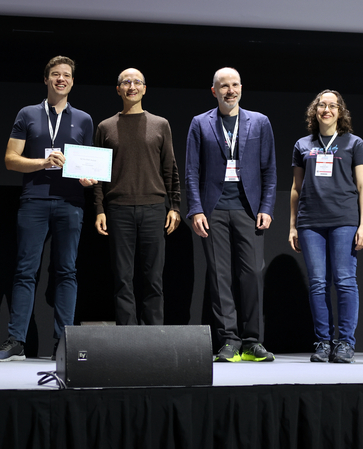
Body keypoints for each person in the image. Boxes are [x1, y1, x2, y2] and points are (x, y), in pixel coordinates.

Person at [0, 55, 95, 362]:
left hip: (70, 202)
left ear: (72, 82)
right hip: (34, 200)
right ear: (46, 79)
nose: (61, 79)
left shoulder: (84, 120)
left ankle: (63, 344)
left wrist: (89, 180)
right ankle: (16, 341)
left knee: (67, 272)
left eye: (66, 75)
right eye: (55, 75)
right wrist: (42, 162)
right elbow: (10, 159)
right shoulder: (28, 114)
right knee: (25, 271)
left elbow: (87, 167)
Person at [185, 67, 277, 362]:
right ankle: (228, 340)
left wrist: (266, 208)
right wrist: (196, 209)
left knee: (251, 274)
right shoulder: (200, 123)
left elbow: (270, 172)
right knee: (220, 276)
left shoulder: (260, 122)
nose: (230, 90)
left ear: (241, 88)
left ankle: (252, 341)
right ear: (214, 91)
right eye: (224, 86)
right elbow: (191, 172)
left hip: (248, 209)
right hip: (213, 210)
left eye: (235, 84)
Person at [93, 68, 181, 325]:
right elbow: (97, 174)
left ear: (144, 88)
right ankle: (127, 339)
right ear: (118, 89)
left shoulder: (160, 124)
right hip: (118, 210)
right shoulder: (105, 127)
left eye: (137, 82)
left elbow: (170, 168)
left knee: (154, 278)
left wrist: (174, 206)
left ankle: (153, 337)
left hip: (154, 209)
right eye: (125, 82)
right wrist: (99, 208)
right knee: (122, 278)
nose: (131, 86)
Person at [289, 89, 363, 364]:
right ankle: (323, 342)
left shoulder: (354, 143)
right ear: (315, 111)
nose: (327, 110)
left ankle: (345, 343)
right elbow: (296, 188)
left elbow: (361, 186)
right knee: (318, 284)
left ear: (340, 112)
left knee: (344, 282)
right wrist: (293, 227)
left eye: (333, 106)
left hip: (344, 220)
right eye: (322, 105)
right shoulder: (302, 145)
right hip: (310, 222)